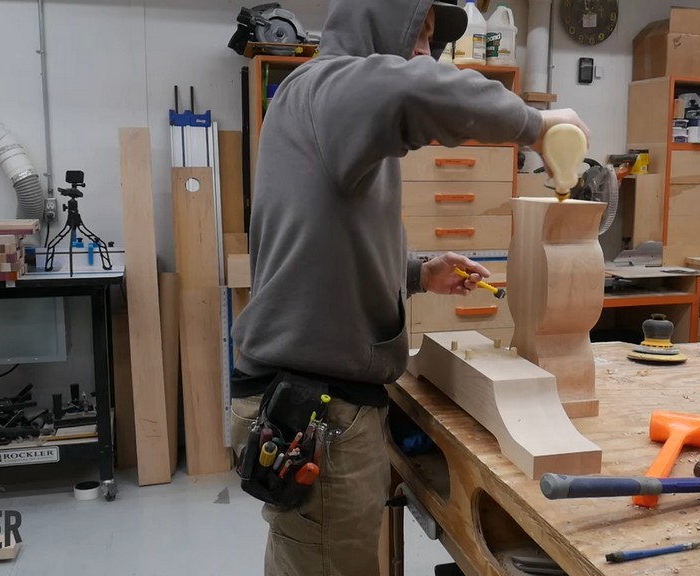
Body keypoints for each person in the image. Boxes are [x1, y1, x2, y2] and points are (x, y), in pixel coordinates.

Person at [228, 0, 591, 574]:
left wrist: (418, 273)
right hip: (314, 403)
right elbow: (413, 88)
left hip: (322, 396)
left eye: (429, 40)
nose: (427, 52)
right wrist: (537, 126)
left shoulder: (338, 117)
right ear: (376, 27)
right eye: (416, 34)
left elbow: (328, 246)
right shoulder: (327, 87)